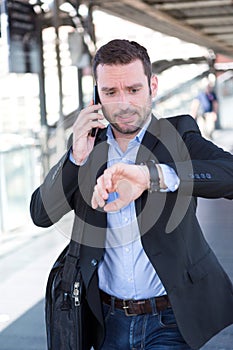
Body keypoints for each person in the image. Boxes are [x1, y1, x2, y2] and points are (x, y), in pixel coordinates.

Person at [30, 39, 233, 350]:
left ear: (152, 86)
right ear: (96, 94)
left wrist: (155, 175)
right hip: (106, 320)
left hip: (169, 319)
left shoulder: (178, 135)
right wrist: (75, 156)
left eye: (134, 90)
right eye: (111, 92)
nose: (123, 103)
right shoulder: (88, 148)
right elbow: (41, 214)